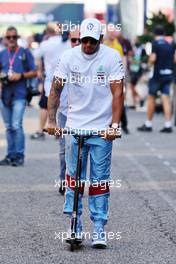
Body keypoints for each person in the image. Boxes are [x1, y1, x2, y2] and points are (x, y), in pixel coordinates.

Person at [47, 18, 124, 248]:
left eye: (92, 41)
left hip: (101, 130)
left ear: (100, 39)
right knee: (74, 179)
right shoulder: (69, 57)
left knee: (99, 181)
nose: (87, 45)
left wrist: (115, 126)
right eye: (84, 41)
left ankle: (99, 227)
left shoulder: (111, 57)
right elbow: (55, 88)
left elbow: (118, 93)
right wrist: (51, 120)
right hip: (74, 126)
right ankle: (75, 223)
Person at [0, 26, 37, 166]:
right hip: (5, 95)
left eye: (14, 37)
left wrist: (20, 75)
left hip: (20, 95)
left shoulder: (25, 52)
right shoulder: (2, 54)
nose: (11, 40)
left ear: (17, 38)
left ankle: (19, 155)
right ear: (5, 38)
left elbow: (35, 72)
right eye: (8, 37)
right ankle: (10, 155)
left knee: (16, 125)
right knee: (9, 127)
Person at [30, 23, 71, 140]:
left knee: (45, 105)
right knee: (63, 107)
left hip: (50, 80)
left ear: (47, 33)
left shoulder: (46, 43)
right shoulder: (66, 42)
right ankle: (60, 130)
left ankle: (43, 129)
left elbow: (35, 55)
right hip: (66, 80)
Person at [137, 26, 176, 133]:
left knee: (151, 98)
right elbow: (174, 59)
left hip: (157, 76)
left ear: (155, 34)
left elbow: (153, 58)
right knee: (165, 98)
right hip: (168, 74)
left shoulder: (155, 43)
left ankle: (148, 124)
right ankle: (168, 125)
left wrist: (148, 65)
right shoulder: (169, 44)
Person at [58, 27, 81, 195]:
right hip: (65, 112)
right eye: (74, 40)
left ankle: (77, 182)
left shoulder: (95, 59)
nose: (78, 44)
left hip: (87, 115)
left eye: (81, 40)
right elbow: (54, 86)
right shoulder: (64, 58)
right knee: (64, 149)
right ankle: (63, 180)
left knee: (83, 151)